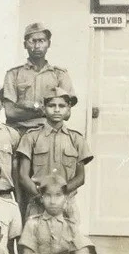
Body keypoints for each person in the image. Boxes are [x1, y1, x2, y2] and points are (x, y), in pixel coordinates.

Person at [15, 87, 92, 220]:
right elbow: (23, 175)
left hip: (66, 203)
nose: (56, 109)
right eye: (51, 105)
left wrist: (59, 196)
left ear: (68, 109)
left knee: (67, 239)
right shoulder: (31, 137)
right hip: (38, 202)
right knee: (35, 239)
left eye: (61, 106)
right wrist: (41, 197)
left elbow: (80, 177)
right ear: (44, 109)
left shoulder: (76, 139)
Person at [3, 23, 75, 132]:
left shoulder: (59, 75)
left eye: (41, 41)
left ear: (49, 44)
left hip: (50, 132)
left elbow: (66, 114)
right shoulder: (13, 74)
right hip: (20, 132)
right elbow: (10, 112)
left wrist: (29, 106)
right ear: (25, 44)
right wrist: (44, 110)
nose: (37, 46)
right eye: (32, 41)